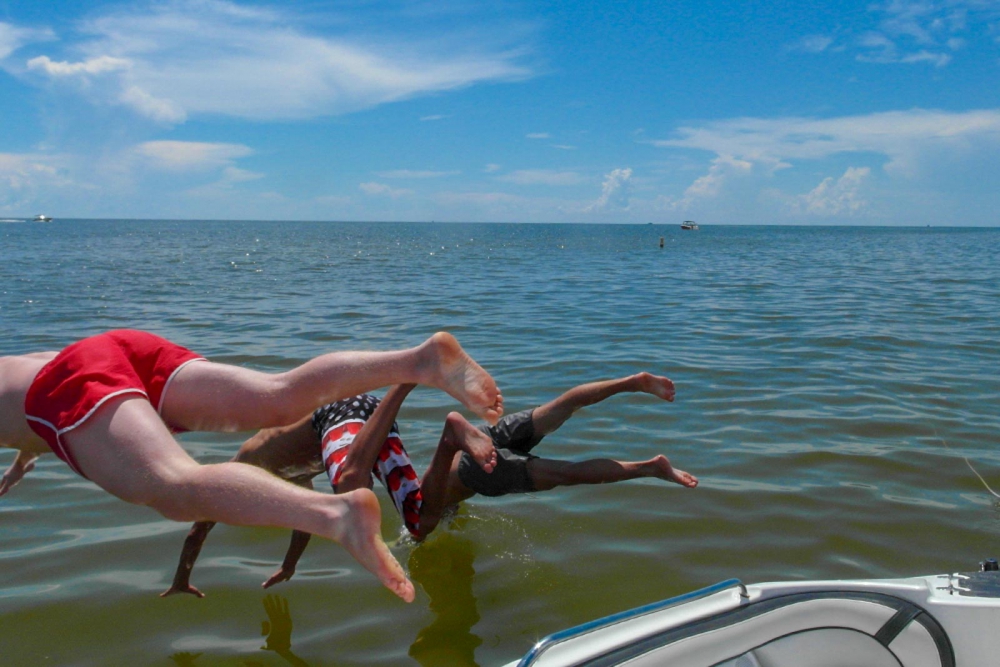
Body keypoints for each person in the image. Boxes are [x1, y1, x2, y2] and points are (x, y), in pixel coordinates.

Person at [0, 329, 504, 603]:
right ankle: (419, 361)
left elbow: (45, 410)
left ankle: (337, 516)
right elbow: (30, 411)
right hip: (106, 349)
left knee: (173, 486)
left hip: (62, 388)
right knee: (278, 395)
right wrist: (28, 453)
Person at [162, 372, 698, 597]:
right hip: (359, 413)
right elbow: (305, 508)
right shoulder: (270, 454)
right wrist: (290, 563)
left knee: (406, 515)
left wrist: (185, 575)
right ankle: (634, 383)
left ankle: (429, 406)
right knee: (558, 409)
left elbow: (200, 522)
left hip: (465, 466)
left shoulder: (248, 463)